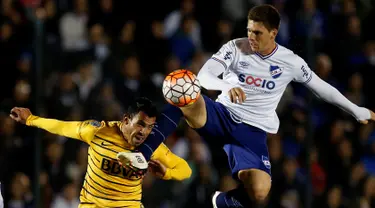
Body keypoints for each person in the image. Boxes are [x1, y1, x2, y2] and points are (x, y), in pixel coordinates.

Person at [122, 4, 375, 208]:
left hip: (251, 134)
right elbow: (204, 76)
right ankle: (143, 153)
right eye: (249, 30)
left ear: (273, 33)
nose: (251, 37)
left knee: (260, 191)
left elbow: (322, 88)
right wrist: (225, 85)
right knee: (182, 86)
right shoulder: (236, 47)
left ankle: (221, 201)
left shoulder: (290, 62)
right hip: (219, 115)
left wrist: (356, 110)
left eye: (258, 33)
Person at [9, 97, 191, 208]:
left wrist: (168, 173)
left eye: (150, 127)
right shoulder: (97, 131)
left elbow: (185, 169)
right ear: (126, 120)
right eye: (140, 124)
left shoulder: (151, 147)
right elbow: (62, 127)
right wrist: (31, 120)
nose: (144, 132)